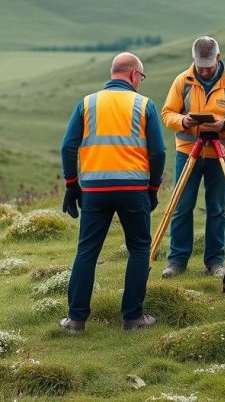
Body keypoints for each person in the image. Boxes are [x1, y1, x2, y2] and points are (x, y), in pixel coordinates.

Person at [59, 52, 166, 333]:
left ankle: (76, 320)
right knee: (139, 249)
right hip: (133, 188)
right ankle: (132, 318)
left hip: (95, 189)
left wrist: (72, 185)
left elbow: (68, 147)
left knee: (87, 251)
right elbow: (158, 151)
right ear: (133, 75)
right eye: (140, 77)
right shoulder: (144, 104)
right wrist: (153, 188)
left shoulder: (87, 103)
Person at [160, 36, 225, 278]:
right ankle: (177, 261)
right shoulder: (182, 81)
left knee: (217, 209)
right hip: (187, 152)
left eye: (208, 66)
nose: (204, 70)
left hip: (219, 155)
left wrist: (223, 125)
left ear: (218, 58)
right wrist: (184, 120)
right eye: (200, 65)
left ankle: (215, 262)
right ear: (193, 60)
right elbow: (167, 113)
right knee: (182, 206)